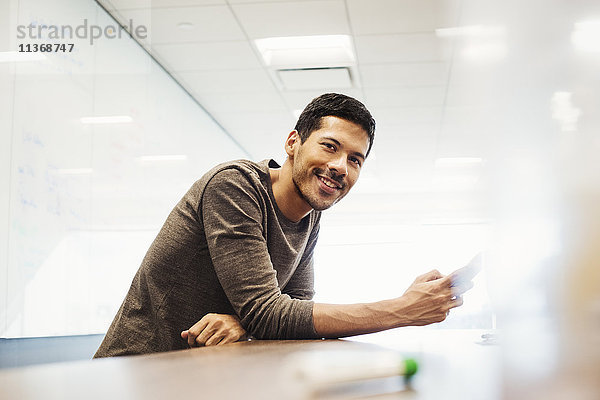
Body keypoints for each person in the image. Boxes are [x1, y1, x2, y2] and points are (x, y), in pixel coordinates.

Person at [94, 93, 472, 357]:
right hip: (138, 370)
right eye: (330, 146)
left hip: (201, 373)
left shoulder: (310, 215)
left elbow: (292, 311)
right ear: (293, 142)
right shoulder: (235, 187)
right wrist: (402, 309)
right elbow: (270, 312)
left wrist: (248, 322)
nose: (341, 166)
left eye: (356, 160)